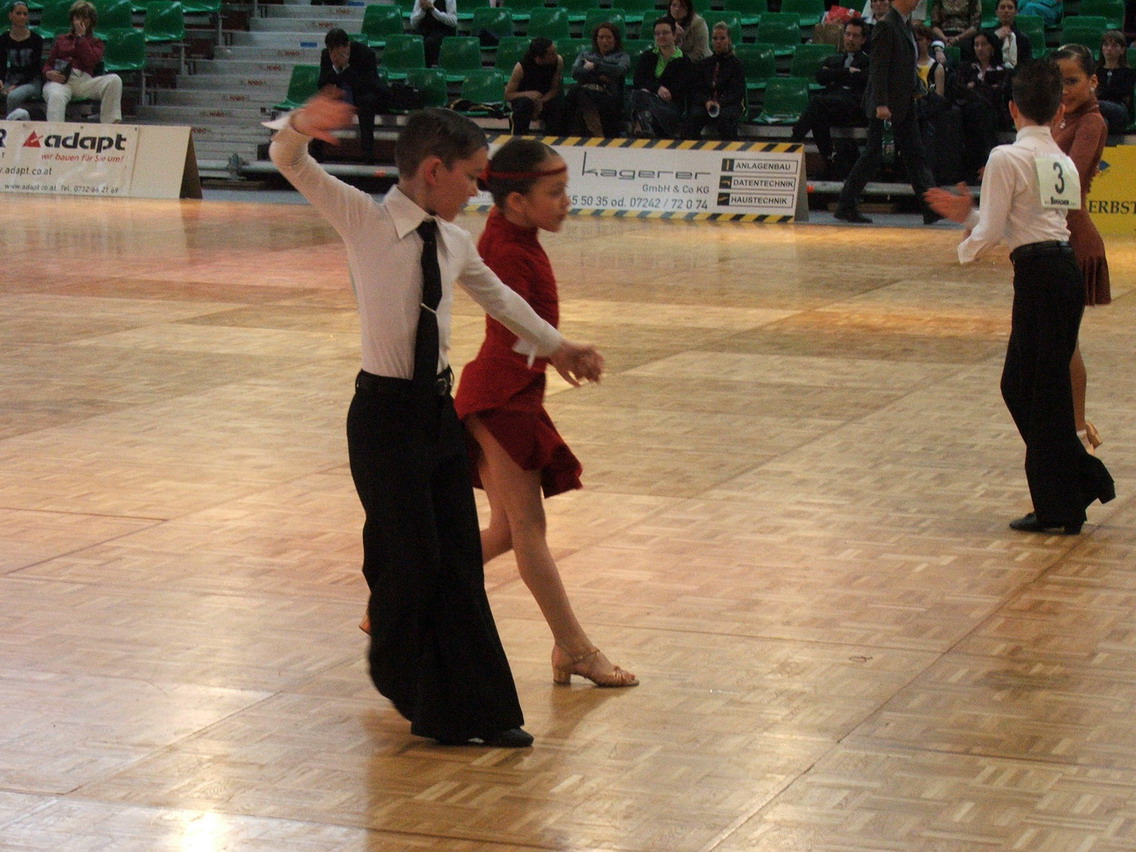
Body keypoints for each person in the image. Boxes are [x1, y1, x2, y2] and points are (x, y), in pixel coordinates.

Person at [268, 99, 604, 747]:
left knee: (458, 562)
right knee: (413, 559)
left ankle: (483, 712)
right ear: (433, 169)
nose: (478, 190)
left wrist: (559, 348)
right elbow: (291, 161)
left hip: (439, 415)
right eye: (472, 176)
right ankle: (404, 674)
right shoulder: (363, 219)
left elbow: (502, 301)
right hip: (383, 419)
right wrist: (301, 125)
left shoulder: (453, 241)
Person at [453, 138, 638, 690]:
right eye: (554, 192)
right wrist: (562, 351)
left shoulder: (511, 233)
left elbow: (522, 329)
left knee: (507, 530)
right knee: (529, 530)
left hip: (509, 391)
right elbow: (511, 324)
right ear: (517, 201)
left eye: (565, 189)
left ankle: (399, 596)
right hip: (502, 397)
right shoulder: (507, 249)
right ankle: (575, 648)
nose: (566, 202)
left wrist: (553, 353)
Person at [925, 59, 1114, 535]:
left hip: (1042, 276)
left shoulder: (1005, 157)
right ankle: (1075, 483)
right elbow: (1026, 224)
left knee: (1037, 390)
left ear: (1012, 108)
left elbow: (996, 232)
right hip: (1057, 272)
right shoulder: (1059, 160)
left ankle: (1063, 502)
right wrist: (972, 219)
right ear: (1058, 111)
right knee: (1026, 386)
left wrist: (965, 248)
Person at [1051, 43, 1111, 455]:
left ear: (1093, 81)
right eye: (1057, 82)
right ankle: (1071, 427)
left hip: (1075, 240)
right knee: (1057, 341)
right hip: (1056, 237)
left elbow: (1068, 180)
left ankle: (1076, 431)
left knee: (1066, 340)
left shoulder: (1092, 122)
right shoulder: (1061, 118)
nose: (1064, 90)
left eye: (1072, 81)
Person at [834, 0, 939, 225]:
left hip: (904, 102)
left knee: (914, 153)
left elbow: (905, 65)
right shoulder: (886, 25)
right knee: (873, 154)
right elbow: (879, 68)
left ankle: (931, 207)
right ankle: (845, 204)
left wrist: (915, 88)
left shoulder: (904, 23)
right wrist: (881, 104)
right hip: (887, 105)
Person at [791, 18, 870, 178]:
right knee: (818, 115)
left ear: (863, 40)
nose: (850, 39)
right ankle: (829, 160)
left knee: (817, 102)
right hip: (833, 105)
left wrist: (835, 75)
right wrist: (847, 72)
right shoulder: (834, 59)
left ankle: (793, 141)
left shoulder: (868, 61)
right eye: (848, 34)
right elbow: (821, 76)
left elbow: (862, 78)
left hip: (854, 107)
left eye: (855, 36)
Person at [41, 0, 121, 124]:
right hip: (61, 81)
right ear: (72, 20)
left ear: (91, 21)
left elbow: (90, 61)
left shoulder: (97, 42)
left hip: (84, 82)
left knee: (114, 80)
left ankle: (110, 126)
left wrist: (81, 38)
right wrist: (48, 73)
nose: (81, 21)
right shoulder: (61, 39)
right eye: (77, 17)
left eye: (85, 17)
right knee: (56, 95)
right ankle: (55, 132)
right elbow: (48, 64)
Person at [316, 28, 388, 162]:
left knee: (366, 103)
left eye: (338, 50)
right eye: (331, 50)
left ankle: (368, 153)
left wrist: (346, 68)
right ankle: (316, 154)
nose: (334, 55)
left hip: (362, 94)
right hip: (340, 95)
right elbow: (321, 84)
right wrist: (335, 68)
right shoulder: (326, 55)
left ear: (347, 46)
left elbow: (368, 85)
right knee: (320, 104)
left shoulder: (365, 54)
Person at [955, 30, 1012, 182]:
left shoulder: (1003, 70)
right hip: (968, 111)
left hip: (993, 112)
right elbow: (959, 90)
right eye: (976, 45)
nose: (980, 48)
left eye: (984, 44)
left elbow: (1001, 93)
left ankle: (983, 165)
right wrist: (983, 88)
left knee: (981, 111)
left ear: (992, 47)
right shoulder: (966, 68)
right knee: (976, 110)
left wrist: (975, 86)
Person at [629, 17, 695, 138]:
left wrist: (653, 91)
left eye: (665, 32)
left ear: (674, 35)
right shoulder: (648, 56)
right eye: (657, 33)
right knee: (636, 94)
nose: (661, 36)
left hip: (670, 105)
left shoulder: (685, 61)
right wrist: (657, 88)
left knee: (639, 97)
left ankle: (642, 124)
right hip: (649, 99)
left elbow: (682, 88)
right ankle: (646, 122)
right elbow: (638, 80)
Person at [563, 22, 630, 137]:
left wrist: (594, 66)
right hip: (585, 90)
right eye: (601, 37)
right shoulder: (586, 55)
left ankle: (576, 132)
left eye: (608, 37)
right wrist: (600, 76)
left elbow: (619, 71)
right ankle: (594, 128)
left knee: (578, 93)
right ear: (596, 39)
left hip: (607, 94)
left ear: (615, 39)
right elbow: (575, 73)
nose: (604, 41)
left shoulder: (622, 56)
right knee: (578, 92)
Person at [682, 22, 745, 140]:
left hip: (727, 104)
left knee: (725, 119)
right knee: (694, 117)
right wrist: (706, 101)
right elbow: (697, 89)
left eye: (722, 38)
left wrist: (720, 103)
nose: (718, 42)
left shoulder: (736, 65)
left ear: (729, 40)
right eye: (715, 38)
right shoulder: (705, 63)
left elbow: (736, 92)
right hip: (707, 103)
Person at [505, 37, 565, 135]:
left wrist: (540, 102)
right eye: (552, 53)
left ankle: (551, 138)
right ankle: (519, 138)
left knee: (557, 106)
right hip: (524, 100)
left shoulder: (558, 61)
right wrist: (527, 94)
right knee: (525, 104)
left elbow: (554, 89)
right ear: (540, 57)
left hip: (545, 98)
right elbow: (508, 95)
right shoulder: (521, 67)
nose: (556, 55)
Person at [1, 1, 42, 120]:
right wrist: (1, 80)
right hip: (11, 79)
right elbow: (1, 63)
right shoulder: (4, 39)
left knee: (13, 96)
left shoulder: (36, 39)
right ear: (10, 15)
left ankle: (10, 126)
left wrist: (16, 86)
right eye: (18, 13)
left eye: (25, 14)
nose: (22, 17)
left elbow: (34, 69)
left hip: (31, 82)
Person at [1096, 31, 1135, 134]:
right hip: (1099, 113)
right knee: (1101, 121)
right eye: (1106, 45)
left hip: (1120, 111)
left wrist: (1101, 93)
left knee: (1096, 105)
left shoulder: (1129, 72)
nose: (1109, 48)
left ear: (1122, 50)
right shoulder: (1096, 71)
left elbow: (1123, 94)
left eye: (1114, 45)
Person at [409, 0, 456, 68]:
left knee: (431, 43)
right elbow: (413, 23)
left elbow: (453, 21)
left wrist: (433, 10)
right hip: (424, 29)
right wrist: (422, 10)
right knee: (414, 41)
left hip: (442, 29)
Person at [992, 0, 1032, 69]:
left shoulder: (1023, 39)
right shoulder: (989, 37)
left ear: (1016, 12)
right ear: (996, 12)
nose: (1006, 10)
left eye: (1010, 7)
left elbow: (1027, 65)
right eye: (1002, 7)